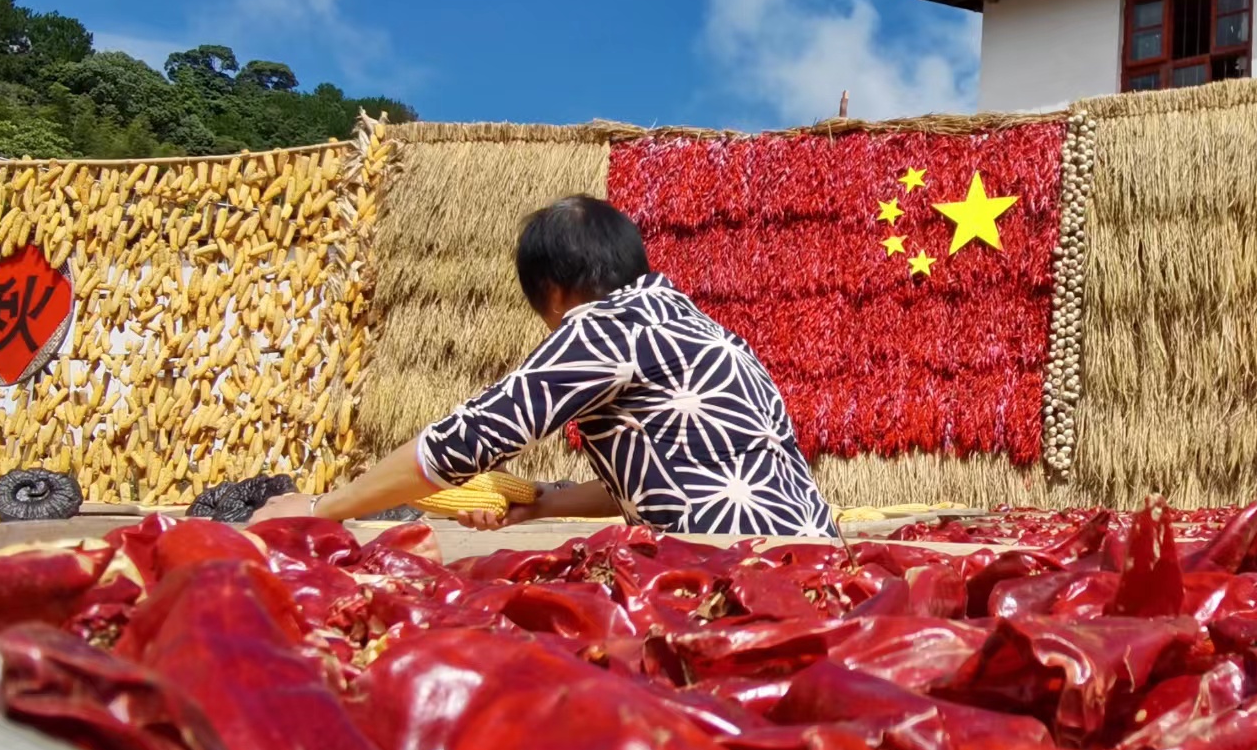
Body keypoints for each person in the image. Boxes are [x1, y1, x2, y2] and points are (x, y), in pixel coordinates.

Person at [256, 195, 836, 537]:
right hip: (819, 561)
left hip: (742, 572)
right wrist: (541, 502)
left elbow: (467, 439)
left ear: (553, 291)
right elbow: (676, 479)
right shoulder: (702, 331)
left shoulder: (606, 325)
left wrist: (316, 510)